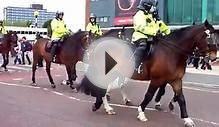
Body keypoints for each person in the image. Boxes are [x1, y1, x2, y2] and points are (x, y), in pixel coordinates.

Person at [131, 0, 170, 71]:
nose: (153, 8)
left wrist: (168, 32)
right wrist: (155, 32)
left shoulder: (151, 15)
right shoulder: (139, 15)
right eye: (152, 6)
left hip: (152, 36)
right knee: (143, 46)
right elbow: (141, 27)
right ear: (147, 6)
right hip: (140, 36)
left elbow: (159, 26)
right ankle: (134, 65)